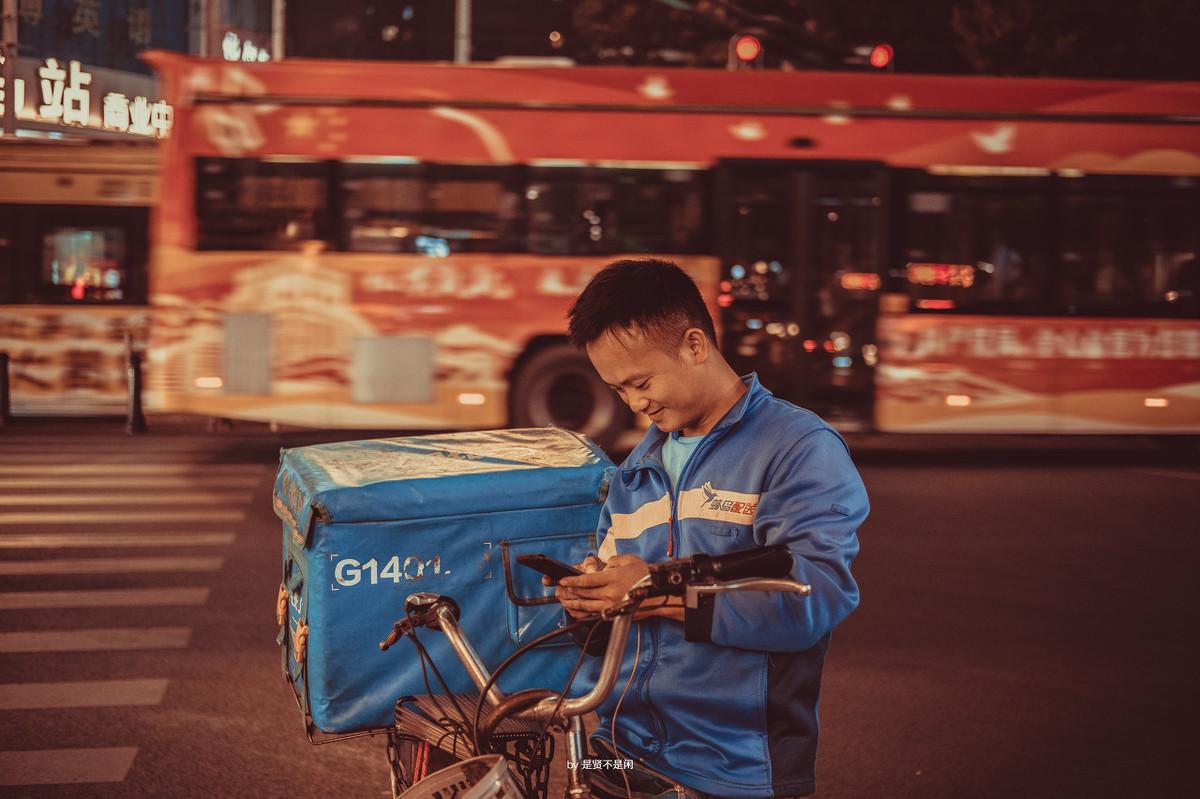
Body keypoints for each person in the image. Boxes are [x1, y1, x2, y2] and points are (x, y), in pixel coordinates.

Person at [553, 258, 868, 799]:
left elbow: (812, 599)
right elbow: (611, 621)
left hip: (738, 770)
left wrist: (654, 591)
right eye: (619, 390)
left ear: (695, 345)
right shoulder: (633, 473)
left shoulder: (798, 449)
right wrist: (589, 602)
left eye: (642, 382)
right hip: (617, 756)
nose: (635, 403)